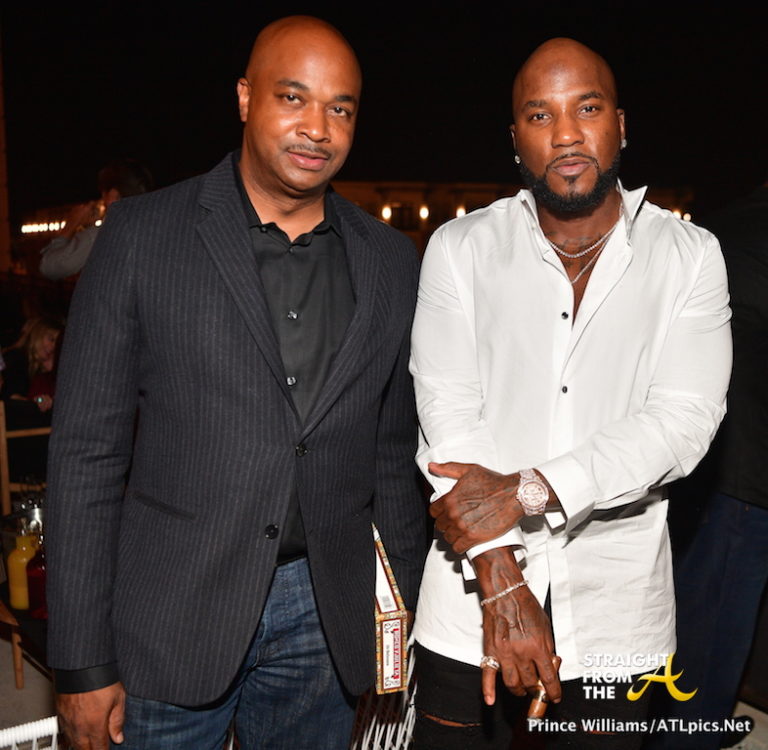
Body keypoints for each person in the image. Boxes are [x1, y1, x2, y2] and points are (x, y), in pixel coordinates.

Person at [46, 15, 426, 750]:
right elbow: (86, 454)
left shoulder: (389, 261)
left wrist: (399, 612)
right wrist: (82, 660)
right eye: (294, 97)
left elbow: (390, 455)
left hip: (325, 620)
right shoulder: (142, 235)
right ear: (246, 97)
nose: (318, 128)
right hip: (168, 618)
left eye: (341, 108)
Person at [408, 37, 732, 750]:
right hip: (468, 610)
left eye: (586, 108)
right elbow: (448, 419)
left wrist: (530, 489)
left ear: (620, 123)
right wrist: (500, 580)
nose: (565, 134)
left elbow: (681, 423)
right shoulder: (460, 249)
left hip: (619, 620)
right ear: (515, 139)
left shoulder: (689, 257)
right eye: (539, 115)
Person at [645, 178, 768, 750]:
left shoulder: (725, 222)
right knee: (710, 643)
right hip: (741, 477)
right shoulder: (748, 235)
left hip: (705, 469)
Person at [39, 157, 154, 280]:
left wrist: (71, 224)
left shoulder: (104, 234)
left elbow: (49, 267)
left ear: (113, 195)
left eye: (104, 195)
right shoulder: (153, 229)